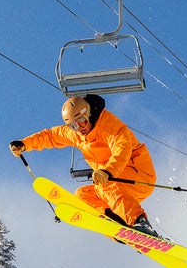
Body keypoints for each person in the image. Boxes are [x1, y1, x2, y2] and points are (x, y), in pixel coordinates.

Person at [10, 94, 158, 233]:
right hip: (115, 186)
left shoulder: (108, 124)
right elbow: (51, 136)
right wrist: (24, 144)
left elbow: (122, 148)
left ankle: (140, 223)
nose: (80, 128)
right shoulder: (76, 134)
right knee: (82, 196)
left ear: (88, 114)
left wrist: (108, 171)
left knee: (104, 186)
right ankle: (118, 228)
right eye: (73, 126)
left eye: (82, 121)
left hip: (138, 174)